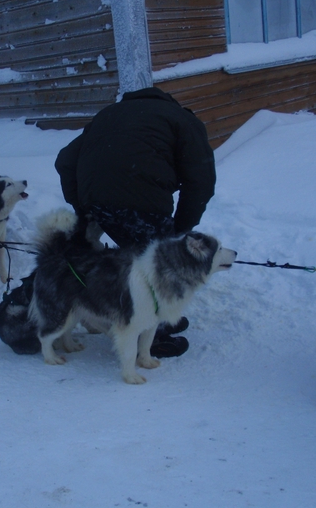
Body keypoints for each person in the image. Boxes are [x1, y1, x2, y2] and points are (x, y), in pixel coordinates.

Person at [55, 86, 216, 358]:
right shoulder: (182, 119)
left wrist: (83, 207)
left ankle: (155, 318)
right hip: (144, 202)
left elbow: (65, 161)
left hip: (98, 201)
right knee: (156, 268)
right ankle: (152, 339)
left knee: (135, 263)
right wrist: (179, 235)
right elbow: (200, 182)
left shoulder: (107, 115)